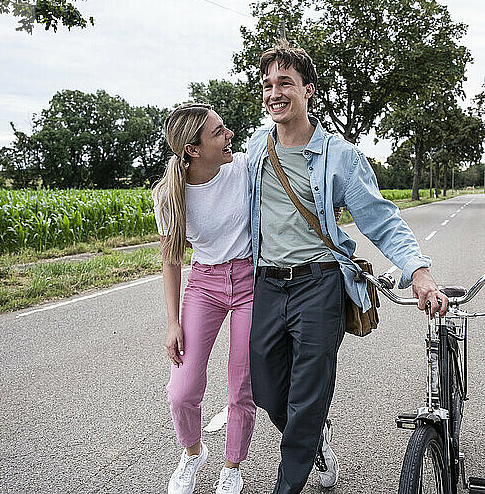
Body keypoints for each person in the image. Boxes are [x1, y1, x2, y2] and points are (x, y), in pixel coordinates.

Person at [246, 41, 449, 494]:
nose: (274, 93)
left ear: (309, 91)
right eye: (267, 85)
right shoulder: (257, 150)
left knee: (308, 393)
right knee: (265, 388)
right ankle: (315, 436)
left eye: (286, 83)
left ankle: (289, 482)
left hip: (319, 283)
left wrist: (418, 272)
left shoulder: (339, 155)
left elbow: (381, 219)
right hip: (268, 283)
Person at [152, 103, 256, 494]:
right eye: (218, 132)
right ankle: (193, 453)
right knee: (182, 390)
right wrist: (172, 322)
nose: (229, 135)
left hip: (250, 281)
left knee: (241, 385)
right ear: (193, 150)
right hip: (205, 284)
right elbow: (171, 260)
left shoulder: (243, 169)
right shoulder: (168, 195)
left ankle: (232, 467)